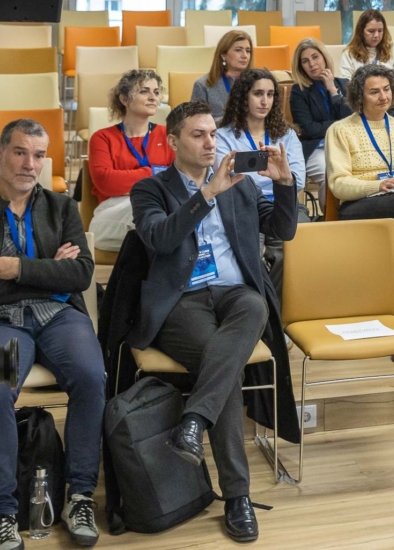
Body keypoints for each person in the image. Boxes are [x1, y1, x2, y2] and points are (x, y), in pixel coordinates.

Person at [130, 100, 298, 544]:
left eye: (212, 134)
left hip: (234, 294)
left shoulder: (241, 184)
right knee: (221, 364)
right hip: (182, 302)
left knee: (256, 306)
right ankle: (238, 496)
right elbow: (161, 238)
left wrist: (284, 184)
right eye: (198, 135)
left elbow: (283, 230)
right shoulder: (150, 189)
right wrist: (206, 195)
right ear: (172, 141)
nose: (210, 143)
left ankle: (194, 423)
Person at [0, 119, 103, 550]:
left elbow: (81, 274)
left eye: (38, 155)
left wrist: (17, 268)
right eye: (19, 152)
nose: (29, 164)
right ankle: (1, 511)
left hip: (59, 315)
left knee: (91, 377)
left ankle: (80, 496)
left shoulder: (62, 208)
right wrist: (52, 273)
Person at [325, 64, 394, 361]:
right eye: (374, 92)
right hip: (358, 206)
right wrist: (377, 186)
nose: (383, 97)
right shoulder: (340, 130)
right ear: (359, 96)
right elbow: (339, 183)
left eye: (386, 90)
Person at [216, 68, 308, 291]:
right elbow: (227, 179)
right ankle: (264, 302)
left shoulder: (287, 134)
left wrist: (272, 178)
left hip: (284, 204)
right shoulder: (222, 136)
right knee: (251, 256)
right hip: (245, 206)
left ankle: (277, 304)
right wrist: (276, 178)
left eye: (270, 94)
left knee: (293, 249)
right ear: (243, 97)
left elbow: (298, 179)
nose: (265, 101)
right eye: (258, 94)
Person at [88, 69, 174, 251]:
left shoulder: (168, 135)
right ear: (124, 99)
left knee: (162, 222)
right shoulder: (102, 138)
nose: (153, 97)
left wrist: (132, 179)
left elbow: (177, 177)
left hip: (158, 207)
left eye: (156, 92)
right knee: (157, 218)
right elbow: (106, 181)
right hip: (112, 212)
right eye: (144, 91)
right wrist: (155, 172)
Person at [288, 38, 352, 208]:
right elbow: (307, 129)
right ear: (301, 66)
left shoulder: (343, 84)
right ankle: (330, 218)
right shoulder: (299, 91)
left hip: (345, 146)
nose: (312, 64)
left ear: (324, 57)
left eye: (315, 57)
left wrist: (332, 90)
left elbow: (352, 121)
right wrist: (339, 126)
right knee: (329, 174)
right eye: (305, 61)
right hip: (316, 148)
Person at [192, 29, 255, 120]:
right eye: (238, 50)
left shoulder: (257, 82)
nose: (245, 55)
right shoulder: (203, 85)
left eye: (248, 51)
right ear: (223, 55)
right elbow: (197, 121)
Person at [339, 10, 394, 77]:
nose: (376, 35)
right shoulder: (349, 53)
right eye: (371, 31)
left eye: (380, 31)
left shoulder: (391, 49)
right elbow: (345, 81)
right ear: (361, 31)